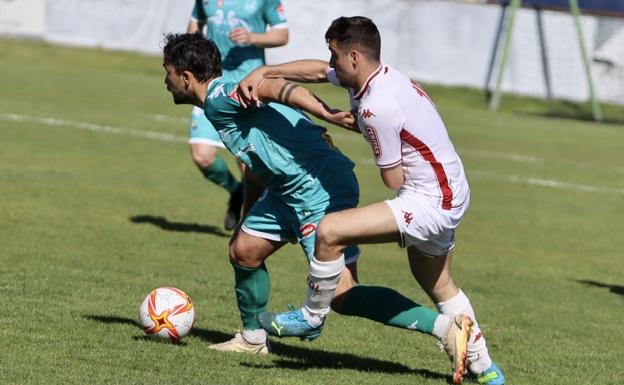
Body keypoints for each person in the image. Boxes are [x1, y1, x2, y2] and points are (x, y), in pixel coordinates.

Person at [162, 32, 474, 384]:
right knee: (244, 250)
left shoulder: (220, 97)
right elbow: (254, 165)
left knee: (342, 294)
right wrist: (248, 212)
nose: (166, 81)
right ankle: (252, 339)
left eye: (168, 73)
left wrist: (328, 114)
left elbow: (273, 85)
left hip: (318, 187)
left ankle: (446, 328)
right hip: (285, 187)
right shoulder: (222, 107)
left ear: (186, 77)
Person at [237, 16, 506, 385]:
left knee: (330, 231)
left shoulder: (374, 106)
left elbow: (392, 178)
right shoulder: (379, 77)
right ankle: (486, 369)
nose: (329, 64)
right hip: (451, 188)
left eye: (333, 56)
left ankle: (312, 316)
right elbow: (316, 73)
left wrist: (367, 130)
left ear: (353, 56)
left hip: (430, 199)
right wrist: (267, 72)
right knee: (439, 284)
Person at [185, 0, 289, 230]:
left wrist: (253, 38)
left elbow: (282, 34)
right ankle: (235, 191)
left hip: (247, 86)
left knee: (249, 167)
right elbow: (194, 27)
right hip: (210, 83)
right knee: (202, 155)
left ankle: (249, 232)